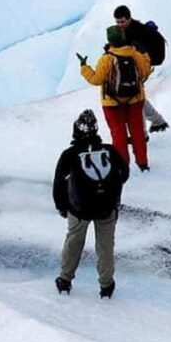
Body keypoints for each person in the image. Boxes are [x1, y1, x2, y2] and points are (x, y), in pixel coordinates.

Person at [53, 109, 129, 299]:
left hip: (79, 209)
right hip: (106, 208)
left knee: (74, 242)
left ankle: (65, 280)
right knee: (105, 247)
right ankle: (106, 285)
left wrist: (63, 207)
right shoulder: (110, 151)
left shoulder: (70, 154)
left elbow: (59, 184)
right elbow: (124, 173)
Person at [78, 25, 152, 170]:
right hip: (135, 99)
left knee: (118, 134)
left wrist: (84, 67)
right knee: (137, 132)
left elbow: (96, 79)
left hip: (112, 103)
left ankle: (122, 165)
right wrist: (144, 55)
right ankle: (143, 163)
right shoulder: (134, 54)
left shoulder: (107, 59)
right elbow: (145, 72)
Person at [113, 5, 169, 133]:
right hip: (132, 69)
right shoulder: (129, 31)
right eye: (117, 22)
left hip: (138, 69)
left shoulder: (138, 32)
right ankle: (157, 122)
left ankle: (142, 133)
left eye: (122, 21)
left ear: (129, 19)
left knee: (134, 99)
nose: (120, 24)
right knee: (137, 97)